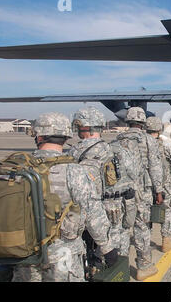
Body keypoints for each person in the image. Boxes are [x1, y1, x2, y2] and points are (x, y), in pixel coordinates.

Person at [12, 112, 116, 282]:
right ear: (66, 136)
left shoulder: (20, 168)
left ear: (38, 136)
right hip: (63, 254)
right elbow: (93, 213)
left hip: (25, 254)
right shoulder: (74, 171)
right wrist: (107, 247)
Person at [69, 107, 131, 259]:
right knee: (114, 239)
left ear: (84, 127)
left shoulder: (73, 153)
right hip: (112, 207)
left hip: (81, 210)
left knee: (85, 244)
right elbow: (132, 173)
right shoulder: (116, 150)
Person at [119, 107, 164, 281]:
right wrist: (158, 191)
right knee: (141, 227)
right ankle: (144, 266)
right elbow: (155, 167)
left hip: (121, 193)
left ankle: (121, 269)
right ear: (143, 123)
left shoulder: (117, 141)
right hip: (142, 192)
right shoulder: (148, 141)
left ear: (128, 121)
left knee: (122, 230)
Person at [146, 117, 171, 252]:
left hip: (144, 187)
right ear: (158, 129)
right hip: (163, 185)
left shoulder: (139, 144)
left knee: (143, 215)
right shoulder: (163, 145)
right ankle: (166, 241)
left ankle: (144, 247)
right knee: (168, 209)